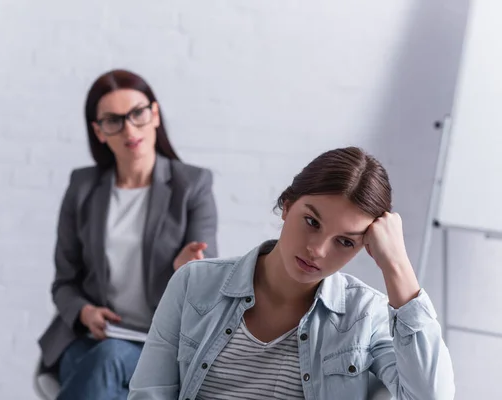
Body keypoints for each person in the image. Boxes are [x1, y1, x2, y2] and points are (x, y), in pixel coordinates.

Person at [128, 147, 455, 399]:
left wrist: (397, 265)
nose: (318, 250)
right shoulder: (194, 283)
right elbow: (148, 393)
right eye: (312, 222)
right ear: (287, 205)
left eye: (344, 241)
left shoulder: (365, 315)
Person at [37, 69, 218, 400]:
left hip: (158, 346)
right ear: (99, 131)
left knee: (110, 366)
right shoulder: (82, 187)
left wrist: (187, 270)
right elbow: (64, 282)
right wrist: (84, 312)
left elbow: (212, 289)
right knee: (104, 365)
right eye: (113, 120)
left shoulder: (192, 185)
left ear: (155, 114)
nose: (129, 129)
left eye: (137, 114)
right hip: (89, 342)